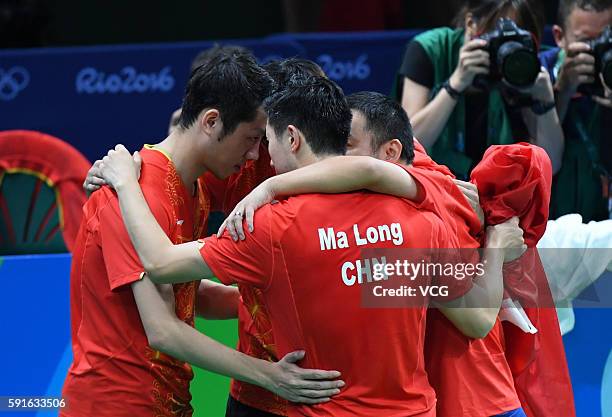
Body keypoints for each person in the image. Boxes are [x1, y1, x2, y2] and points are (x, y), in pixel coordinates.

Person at [95, 75, 524, 416]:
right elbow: (478, 318)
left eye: (267, 141)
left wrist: (125, 183)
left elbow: (160, 262)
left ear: (293, 139)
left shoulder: (270, 227)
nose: (260, 156)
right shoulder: (420, 217)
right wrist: (499, 247)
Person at [60, 48, 343, 417]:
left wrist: (277, 305)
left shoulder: (198, 188)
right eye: (251, 138)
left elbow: (187, 295)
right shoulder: (132, 191)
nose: (257, 155)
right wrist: (270, 375)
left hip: (171, 400)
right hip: (114, 403)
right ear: (211, 122)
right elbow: (162, 329)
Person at [223, 91, 528, 417]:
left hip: (479, 402)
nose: (332, 161)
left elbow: (477, 319)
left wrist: (496, 245)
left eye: (346, 146)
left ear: (391, 152)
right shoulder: (393, 196)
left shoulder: (427, 201)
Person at [397, 0, 564, 180]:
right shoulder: (432, 49)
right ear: (470, 24)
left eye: (514, 38)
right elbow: (408, 148)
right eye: (496, 34)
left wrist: (545, 101)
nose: (505, 47)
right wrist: (455, 84)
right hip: (433, 188)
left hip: (499, 196)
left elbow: (551, 165)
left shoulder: (520, 66)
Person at [540, 0, 612, 221]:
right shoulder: (537, 73)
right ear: (559, 37)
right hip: (551, 224)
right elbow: (540, 161)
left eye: (607, 39)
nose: (600, 50)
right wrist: (562, 93)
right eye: (587, 41)